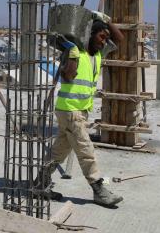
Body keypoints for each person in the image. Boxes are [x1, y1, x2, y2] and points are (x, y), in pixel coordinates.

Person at [41, 13, 125, 207]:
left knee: (59, 151)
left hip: (78, 111)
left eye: (105, 38)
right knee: (86, 150)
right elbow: (68, 76)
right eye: (101, 37)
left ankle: (39, 183)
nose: (104, 41)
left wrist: (107, 21)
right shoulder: (75, 52)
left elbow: (119, 39)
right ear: (89, 35)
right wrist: (71, 53)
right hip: (70, 110)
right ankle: (98, 190)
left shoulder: (98, 54)